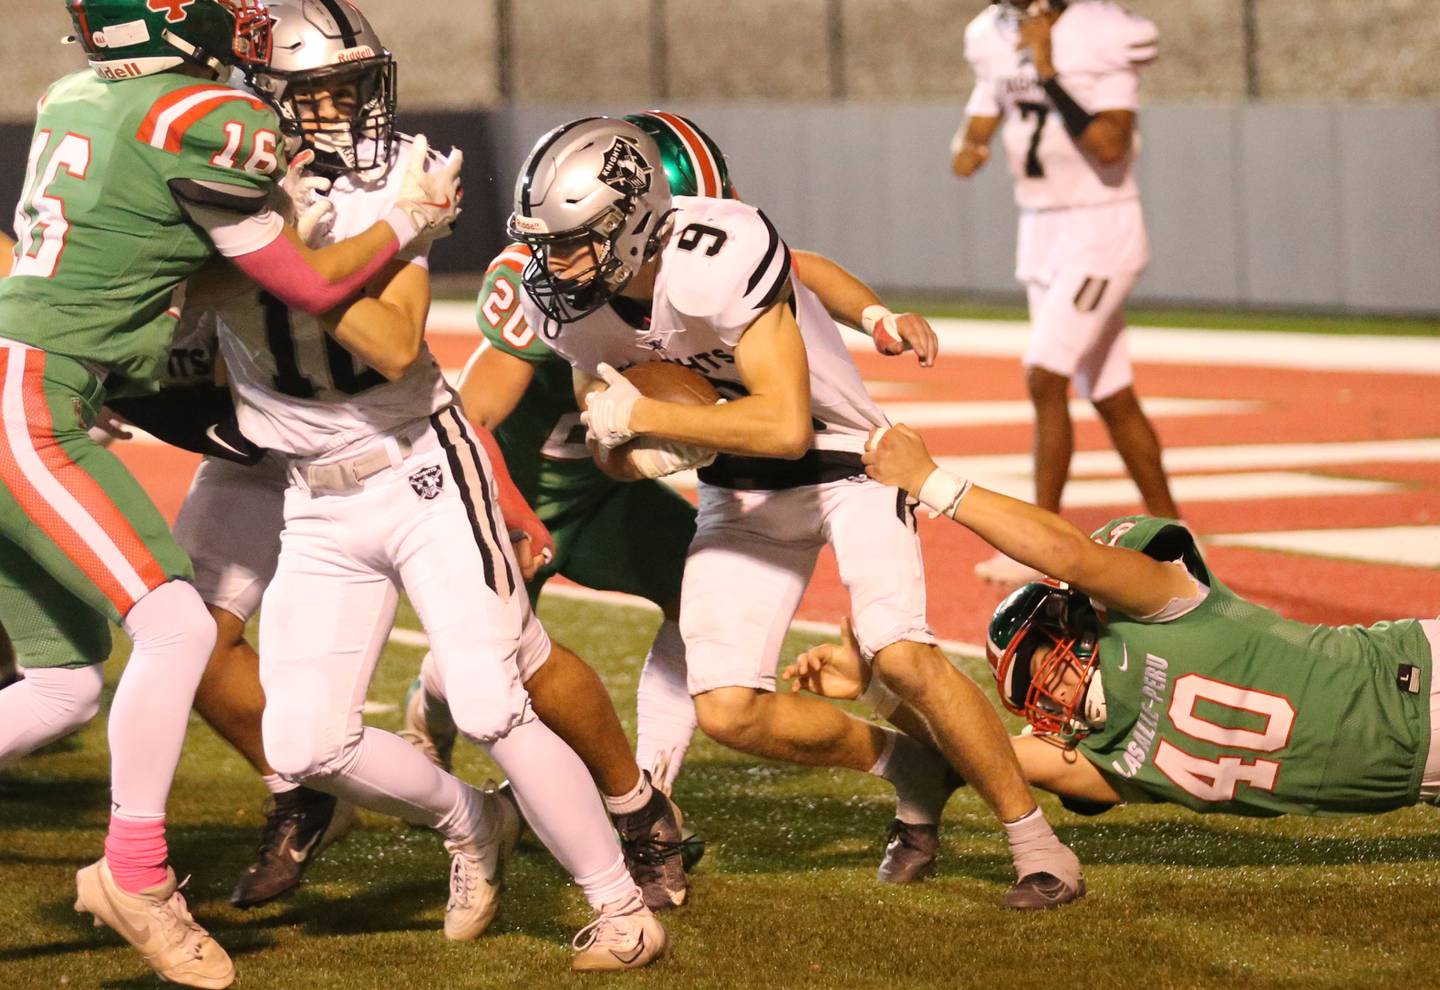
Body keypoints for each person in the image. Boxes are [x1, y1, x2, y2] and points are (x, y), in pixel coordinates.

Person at [190, 3, 667, 970]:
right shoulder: (218, 178)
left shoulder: (401, 178)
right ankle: (472, 824)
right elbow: (174, 302)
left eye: (348, 84)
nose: (342, 108)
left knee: (490, 702)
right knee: (304, 741)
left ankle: (622, 908)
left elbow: (396, 339)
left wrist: (293, 256)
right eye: (315, 90)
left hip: (418, 467)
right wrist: (261, 244)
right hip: (309, 495)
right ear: (265, 97)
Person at [506, 116, 1084, 909]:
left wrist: (655, 419)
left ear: (636, 222)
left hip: (850, 461)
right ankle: (909, 765)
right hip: (738, 494)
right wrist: (623, 444)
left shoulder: (718, 256)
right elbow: (612, 442)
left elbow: (784, 425)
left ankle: (1037, 845)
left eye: (576, 238)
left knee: (901, 654)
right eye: (546, 240)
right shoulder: (570, 306)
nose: (553, 261)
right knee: (729, 711)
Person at [0, 2, 458, 985]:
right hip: (30, 401)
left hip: (44, 382)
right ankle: (138, 874)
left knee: (62, 685)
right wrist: (408, 225)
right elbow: (315, 287)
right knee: (178, 627)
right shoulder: (204, 118)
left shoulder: (80, 95)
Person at [408, 110, 938, 840]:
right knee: (483, 644)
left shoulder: (702, 258)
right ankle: (423, 724)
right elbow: (473, 416)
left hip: (600, 491)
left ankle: (648, 784)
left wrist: (876, 314)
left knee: (693, 599)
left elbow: (800, 268)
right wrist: (475, 506)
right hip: (521, 490)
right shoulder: (552, 273)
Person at [791, 423, 1440, 824]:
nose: (1053, 698)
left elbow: (1068, 555)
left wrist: (933, 482)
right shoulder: (1104, 756)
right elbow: (976, 759)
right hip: (1414, 770)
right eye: (1037, 693)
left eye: (1047, 670)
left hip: (1411, 681)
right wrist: (878, 692)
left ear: (1078, 630)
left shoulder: (1164, 605)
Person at [952, 0, 1177, 584]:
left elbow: (1110, 147)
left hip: (1100, 226)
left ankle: (1037, 544)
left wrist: (1049, 72)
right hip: (1041, 227)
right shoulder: (991, 32)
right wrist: (971, 142)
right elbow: (985, 107)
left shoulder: (1101, 31)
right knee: (1111, 393)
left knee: (1045, 373)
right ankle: (1176, 538)